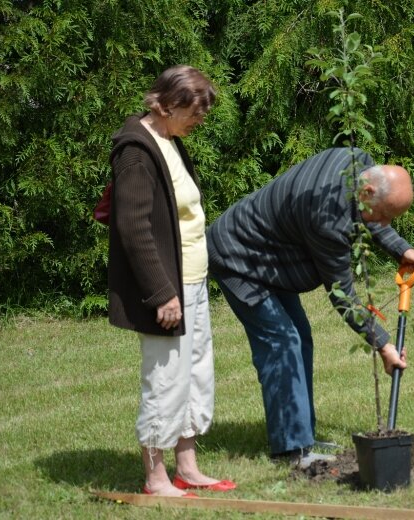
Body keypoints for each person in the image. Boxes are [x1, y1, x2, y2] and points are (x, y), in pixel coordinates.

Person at [206, 147, 414, 468]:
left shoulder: (358, 162)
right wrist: (383, 344)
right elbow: (342, 295)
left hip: (270, 254)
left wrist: (402, 248)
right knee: (282, 342)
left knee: (300, 335)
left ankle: (301, 435)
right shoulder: (329, 220)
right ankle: (292, 451)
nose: (383, 223)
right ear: (367, 190)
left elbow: (369, 214)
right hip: (238, 256)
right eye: (384, 215)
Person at [107, 65, 236, 497]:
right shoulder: (136, 151)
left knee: (196, 374)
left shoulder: (170, 141)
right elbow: (134, 228)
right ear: (165, 104)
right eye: (194, 112)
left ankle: (188, 467)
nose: (200, 120)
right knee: (165, 378)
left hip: (194, 282)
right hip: (167, 288)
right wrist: (162, 293)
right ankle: (156, 478)